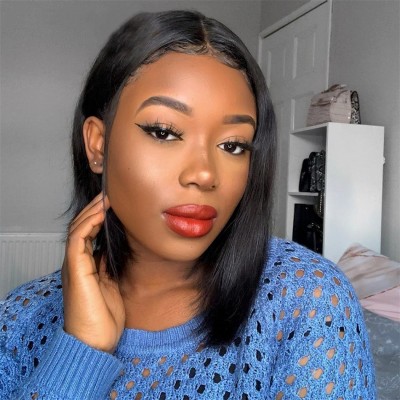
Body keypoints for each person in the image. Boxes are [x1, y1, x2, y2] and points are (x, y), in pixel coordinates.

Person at [0, 10, 375, 399]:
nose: (205, 174)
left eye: (233, 145)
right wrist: (80, 352)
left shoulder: (308, 300)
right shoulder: (20, 318)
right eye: (164, 132)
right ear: (98, 145)